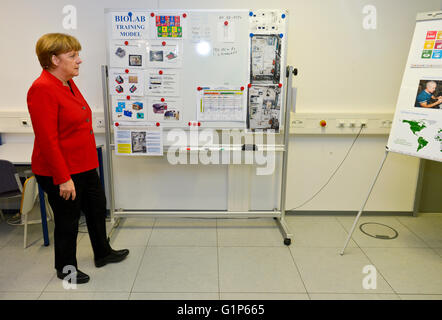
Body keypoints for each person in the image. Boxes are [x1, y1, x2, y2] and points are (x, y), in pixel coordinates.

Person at [27, 33, 129, 284]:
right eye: (72, 56)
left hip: (83, 164)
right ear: (53, 59)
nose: (79, 60)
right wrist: (63, 179)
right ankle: (66, 268)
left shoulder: (68, 82)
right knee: (68, 221)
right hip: (60, 170)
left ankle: (103, 252)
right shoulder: (42, 89)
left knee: (96, 209)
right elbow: (47, 140)